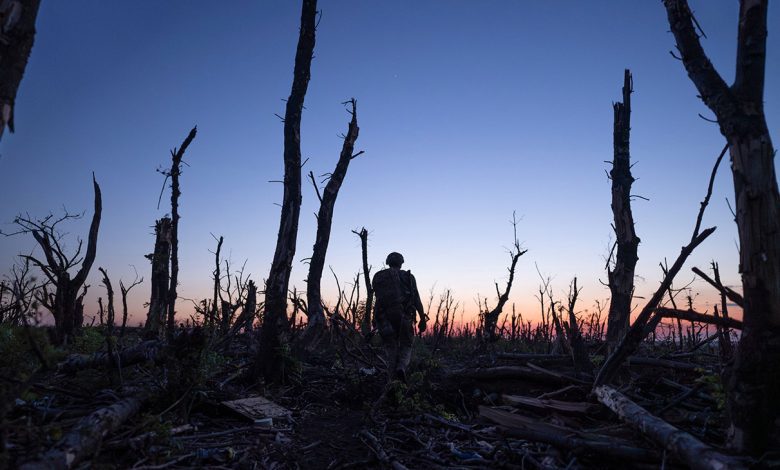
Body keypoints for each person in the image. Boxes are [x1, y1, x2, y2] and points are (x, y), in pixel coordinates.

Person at [372, 252, 426, 382]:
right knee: (407, 344)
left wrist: (375, 319)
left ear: (388, 262)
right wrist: (422, 318)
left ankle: (391, 379)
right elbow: (416, 299)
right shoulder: (408, 276)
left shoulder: (378, 276)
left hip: (383, 318)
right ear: (401, 263)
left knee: (391, 346)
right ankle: (401, 367)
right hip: (404, 316)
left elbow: (377, 300)